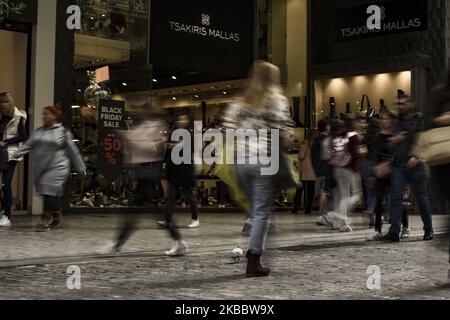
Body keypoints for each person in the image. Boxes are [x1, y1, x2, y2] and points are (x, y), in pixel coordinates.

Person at [222, 61, 294, 277]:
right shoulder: (276, 100)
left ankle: (254, 248)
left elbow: (227, 127)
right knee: (262, 212)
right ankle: (253, 260)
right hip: (264, 160)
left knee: (255, 210)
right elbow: (284, 132)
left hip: (241, 162)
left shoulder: (239, 103)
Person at [101, 99, 170, 254]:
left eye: (139, 110)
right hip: (141, 172)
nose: (135, 112)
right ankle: (178, 240)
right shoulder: (140, 126)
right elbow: (133, 147)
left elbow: (154, 148)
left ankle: (116, 245)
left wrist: (129, 138)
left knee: (133, 212)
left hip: (149, 173)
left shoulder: (156, 126)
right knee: (149, 211)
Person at [13, 105, 86, 231]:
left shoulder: (63, 131)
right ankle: (57, 214)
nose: (45, 116)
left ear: (54, 116)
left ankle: (44, 220)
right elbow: (28, 144)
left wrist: (81, 167)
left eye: (47, 114)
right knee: (48, 193)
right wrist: (16, 153)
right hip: (42, 168)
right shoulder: (39, 131)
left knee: (49, 189)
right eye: (43, 114)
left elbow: (73, 151)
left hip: (58, 167)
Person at [383, 95, 433, 242]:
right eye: (398, 104)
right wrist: (393, 141)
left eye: (403, 104)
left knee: (421, 198)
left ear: (410, 104)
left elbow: (423, 139)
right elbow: (390, 142)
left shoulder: (418, 119)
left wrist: (416, 155)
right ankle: (394, 231)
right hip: (399, 164)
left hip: (417, 165)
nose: (400, 106)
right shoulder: (396, 121)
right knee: (396, 197)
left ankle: (428, 229)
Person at [159, 114, 199, 256]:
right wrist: (165, 165)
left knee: (188, 195)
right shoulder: (172, 134)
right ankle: (167, 219)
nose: (181, 121)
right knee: (171, 195)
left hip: (185, 170)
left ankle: (195, 219)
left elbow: (190, 150)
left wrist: (174, 145)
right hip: (174, 170)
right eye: (179, 119)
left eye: (184, 119)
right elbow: (168, 152)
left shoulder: (190, 135)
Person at [328, 115, 363, 233]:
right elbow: (355, 154)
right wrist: (362, 153)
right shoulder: (354, 136)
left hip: (337, 168)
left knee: (343, 195)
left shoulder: (338, 135)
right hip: (350, 169)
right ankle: (337, 214)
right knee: (356, 195)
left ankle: (341, 223)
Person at [0, 93, 28, 228]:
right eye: (1, 103)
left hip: (10, 155)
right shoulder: (2, 117)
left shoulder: (19, 117)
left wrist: (5, 142)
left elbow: (23, 136)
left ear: (10, 103)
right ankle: (4, 208)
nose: (3, 105)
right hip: (1, 154)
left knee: (6, 184)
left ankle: (7, 216)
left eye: (5, 102)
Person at [311, 119, 334, 226]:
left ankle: (324, 214)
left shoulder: (315, 140)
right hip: (324, 169)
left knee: (323, 191)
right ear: (326, 127)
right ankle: (322, 215)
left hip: (318, 169)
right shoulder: (324, 140)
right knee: (324, 192)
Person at [292, 129, 318, 214]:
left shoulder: (305, 143)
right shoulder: (316, 144)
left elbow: (301, 156)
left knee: (300, 189)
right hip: (313, 167)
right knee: (310, 189)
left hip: (304, 168)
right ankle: (308, 208)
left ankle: (296, 207)